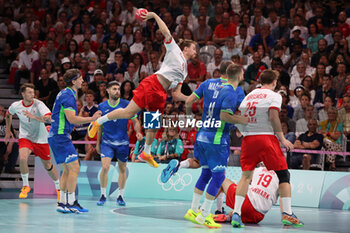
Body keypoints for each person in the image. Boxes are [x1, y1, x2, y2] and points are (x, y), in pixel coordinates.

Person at [88, 11, 197, 168]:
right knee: (128, 113)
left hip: (161, 94)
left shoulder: (185, 69)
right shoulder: (175, 50)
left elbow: (175, 93)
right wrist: (153, 15)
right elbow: (166, 31)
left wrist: (189, 98)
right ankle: (98, 122)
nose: (196, 51)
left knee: (154, 124)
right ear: (185, 48)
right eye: (194, 48)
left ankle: (146, 152)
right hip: (152, 84)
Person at [233, 70, 303, 228]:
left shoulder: (248, 96)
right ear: (274, 82)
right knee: (283, 175)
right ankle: (287, 214)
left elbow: (239, 120)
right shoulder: (274, 95)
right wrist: (282, 138)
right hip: (266, 138)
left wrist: (246, 134)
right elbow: (273, 117)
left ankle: (236, 213)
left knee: (245, 177)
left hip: (249, 139)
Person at [183, 63, 247, 229]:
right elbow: (227, 115)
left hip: (202, 135)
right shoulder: (233, 91)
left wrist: (191, 119)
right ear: (239, 75)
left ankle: (193, 210)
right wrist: (243, 121)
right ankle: (204, 215)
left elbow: (189, 101)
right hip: (217, 140)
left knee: (205, 173)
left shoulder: (207, 84)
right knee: (218, 177)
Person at [48, 69, 101, 213]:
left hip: (59, 136)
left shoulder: (66, 93)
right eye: (80, 78)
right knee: (74, 168)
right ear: (73, 81)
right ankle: (71, 203)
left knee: (67, 170)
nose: (83, 81)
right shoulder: (68, 96)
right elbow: (72, 118)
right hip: (59, 137)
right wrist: (92, 118)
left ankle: (62, 203)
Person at [5, 83, 60, 199]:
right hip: (26, 136)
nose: (32, 95)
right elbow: (8, 114)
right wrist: (8, 131)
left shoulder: (39, 104)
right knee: (23, 158)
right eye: (29, 92)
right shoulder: (16, 106)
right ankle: (26, 185)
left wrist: (34, 117)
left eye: (33, 92)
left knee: (48, 166)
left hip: (41, 138)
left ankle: (58, 187)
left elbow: (49, 118)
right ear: (23, 94)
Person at [96, 81, 142, 206]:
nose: (117, 91)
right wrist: (97, 143)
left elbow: (135, 121)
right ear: (108, 91)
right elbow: (99, 126)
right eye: (114, 89)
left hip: (123, 143)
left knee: (122, 169)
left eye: (118, 89)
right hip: (107, 142)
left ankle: (120, 196)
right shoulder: (102, 106)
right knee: (105, 167)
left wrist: (138, 132)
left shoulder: (127, 104)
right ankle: (103, 195)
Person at [213, 167, 279, 224]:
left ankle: (207, 209)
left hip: (247, 204)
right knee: (241, 210)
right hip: (258, 216)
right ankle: (228, 217)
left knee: (221, 179)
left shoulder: (259, 170)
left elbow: (244, 183)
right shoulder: (282, 179)